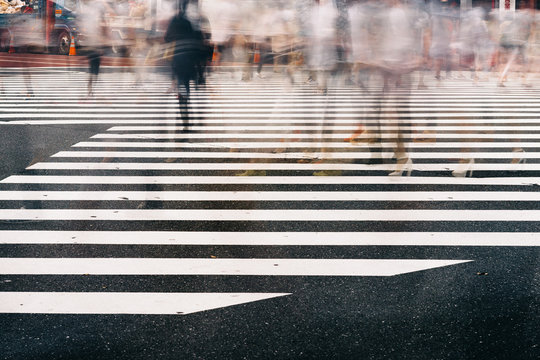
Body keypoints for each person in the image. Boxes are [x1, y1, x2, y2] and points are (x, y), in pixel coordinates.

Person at [164, 6, 202, 128]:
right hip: (189, 59)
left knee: (181, 84)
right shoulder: (190, 22)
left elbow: (167, 38)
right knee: (186, 85)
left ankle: (184, 113)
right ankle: (185, 102)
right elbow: (196, 38)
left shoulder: (174, 21)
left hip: (177, 59)